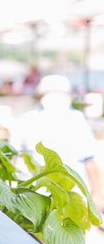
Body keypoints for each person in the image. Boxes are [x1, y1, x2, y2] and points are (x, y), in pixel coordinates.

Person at [10, 74, 104, 212]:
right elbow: (89, 160)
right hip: (61, 197)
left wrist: (97, 194)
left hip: (37, 198)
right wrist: (96, 194)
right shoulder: (76, 120)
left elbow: (11, 157)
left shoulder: (29, 119)